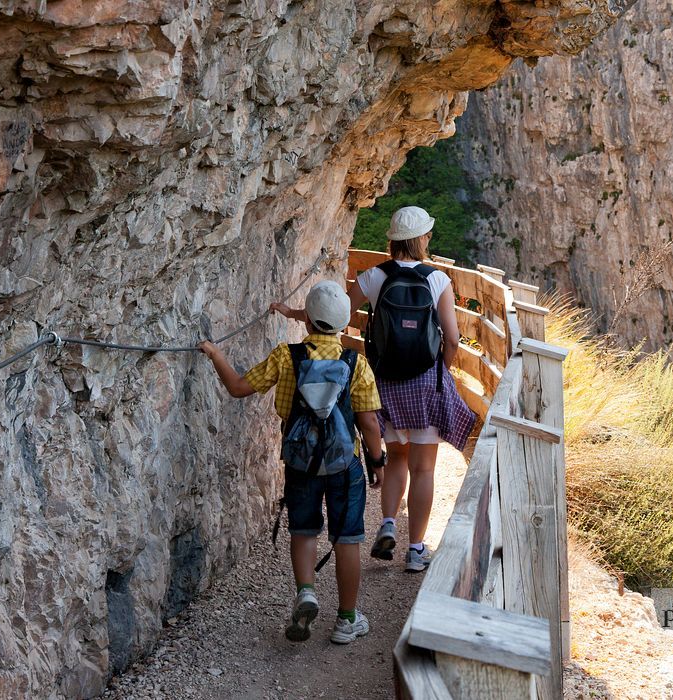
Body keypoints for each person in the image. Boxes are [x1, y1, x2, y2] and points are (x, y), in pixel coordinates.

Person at [273, 206, 475, 573]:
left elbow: (334, 318)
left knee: (397, 456)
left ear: (393, 240)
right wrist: (439, 375)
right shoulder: (437, 280)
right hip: (425, 384)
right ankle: (416, 550)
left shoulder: (374, 277)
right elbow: (454, 340)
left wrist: (293, 314)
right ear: (422, 239)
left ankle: (387, 525)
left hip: (386, 383)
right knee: (424, 469)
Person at [199, 280, 387, 644]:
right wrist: (377, 461)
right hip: (343, 465)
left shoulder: (287, 357)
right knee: (347, 539)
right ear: (344, 323)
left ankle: (306, 592)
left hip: (300, 461)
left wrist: (214, 354)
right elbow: (368, 423)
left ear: (308, 322)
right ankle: (347, 620)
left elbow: (238, 387)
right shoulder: (356, 364)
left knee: (303, 531)